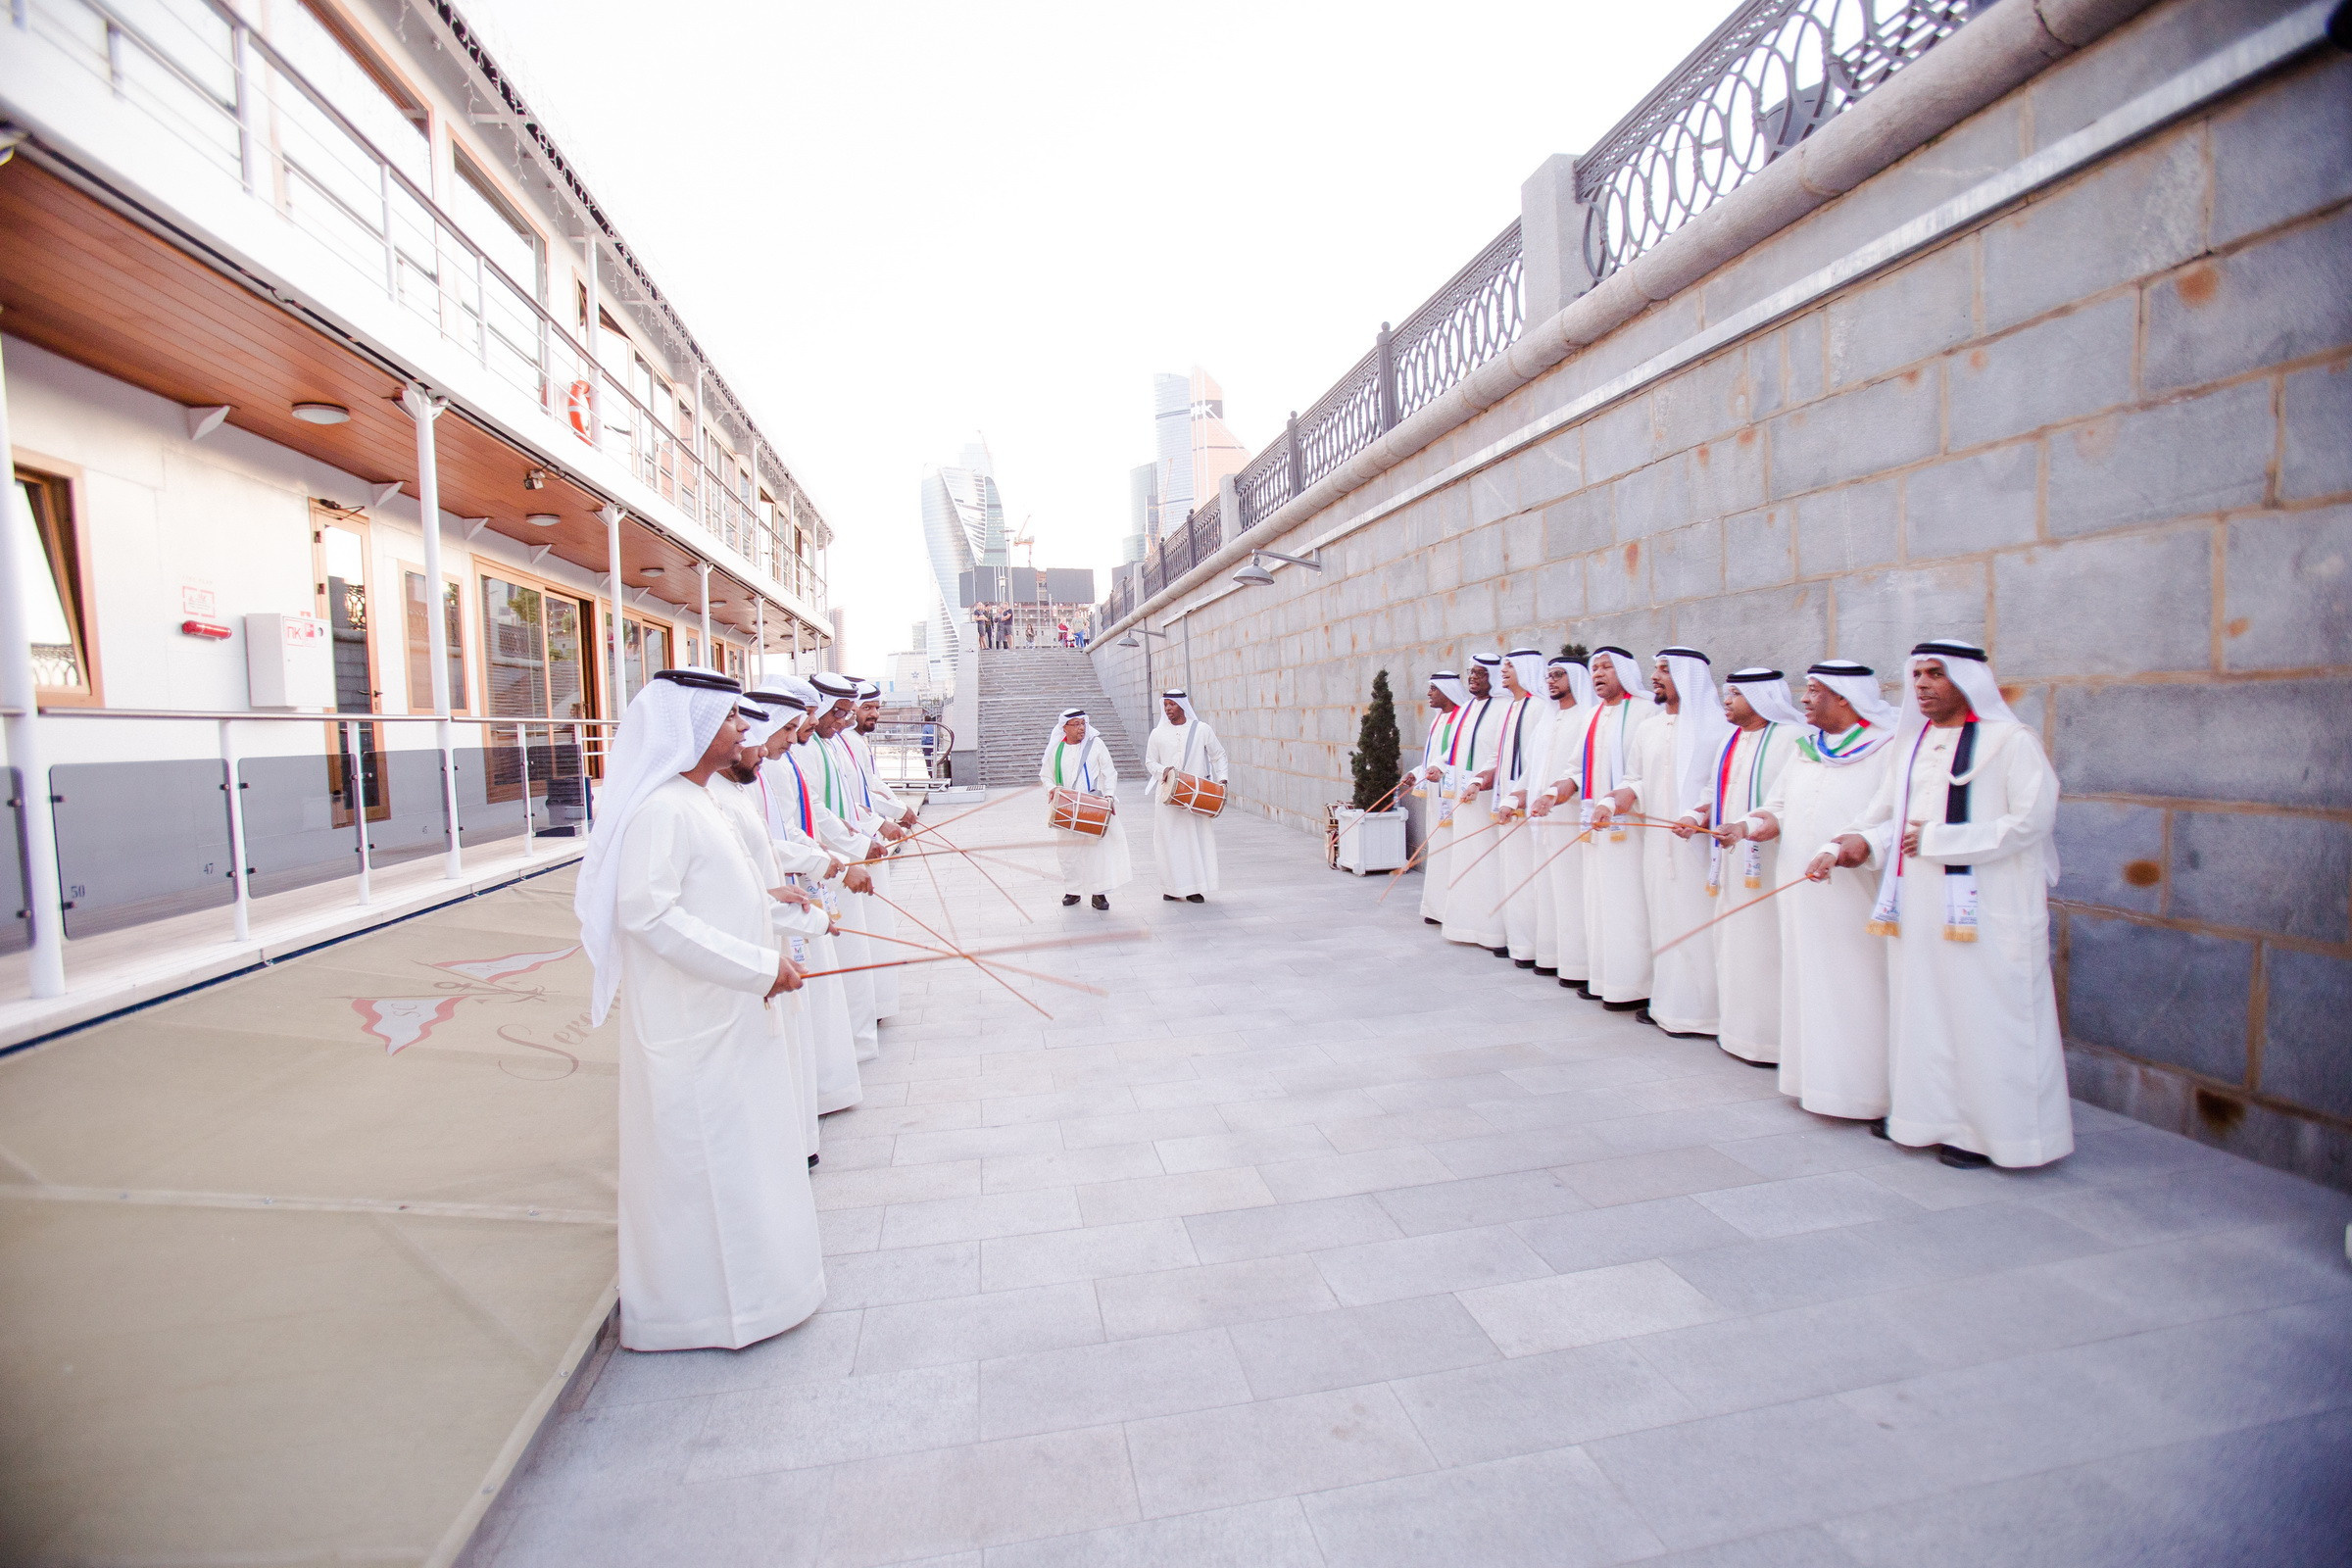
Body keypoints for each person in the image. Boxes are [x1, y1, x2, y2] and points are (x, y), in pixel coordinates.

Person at [571, 666, 824, 1352]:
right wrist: (759, 967)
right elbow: (649, 916)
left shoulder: (701, 801)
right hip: (695, 1025)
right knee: (709, 1168)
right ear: (691, 727)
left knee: (745, 1159)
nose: (745, 728)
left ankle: (768, 1292)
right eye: (730, 718)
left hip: (731, 1012)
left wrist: (776, 910)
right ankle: (714, 1315)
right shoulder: (660, 810)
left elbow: (719, 894)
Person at [1826, 640, 2071, 1169]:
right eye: (1916, 676)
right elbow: (1885, 815)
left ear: (1968, 680)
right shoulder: (1911, 746)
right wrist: (1856, 843)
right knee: (1925, 1011)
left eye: (1935, 674)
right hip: (1918, 909)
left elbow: (2032, 823)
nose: (1922, 686)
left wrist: (1940, 842)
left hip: (1988, 910)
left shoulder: (2011, 742)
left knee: (1987, 1019)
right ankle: (1922, 1118)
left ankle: (1993, 1136)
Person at [1732, 661, 1901, 1123]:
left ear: (1844, 697)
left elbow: (1889, 819)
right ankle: (1814, 1083)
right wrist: (1747, 825)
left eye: (1813, 691)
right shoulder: (1807, 748)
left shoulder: (1886, 748)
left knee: (1856, 985)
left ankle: (1866, 1094)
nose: (1803, 699)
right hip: (1800, 887)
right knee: (1808, 982)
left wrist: (1853, 845)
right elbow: (1780, 805)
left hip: (1854, 891)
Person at [708, 696, 836, 1159]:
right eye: (744, 732)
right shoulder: (694, 804)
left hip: (765, 942)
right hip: (742, 960)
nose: (758, 746)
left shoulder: (730, 793)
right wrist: (814, 911)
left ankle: (797, 1142)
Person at [750, 682, 867, 1120]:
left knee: (818, 998)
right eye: (798, 723)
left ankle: (820, 1094)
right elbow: (767, 845)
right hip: (776, 905)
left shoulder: (783, 759)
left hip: (799, 884)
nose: (813, 726)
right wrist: (827, 861)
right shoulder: (763, 769)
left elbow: (796, 822)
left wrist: (831, 856)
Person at [1601, 647, 1729, 1037]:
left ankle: (1704, 1013)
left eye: (1665, 671)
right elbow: (1635, 778)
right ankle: (1669, 1005)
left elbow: (1720, 784)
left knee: (1698, 923)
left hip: (1699, 847)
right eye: (1654, 670)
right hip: (1658, 847)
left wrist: (1698, 814)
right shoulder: (1650, 727)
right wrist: (1614, 800)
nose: (1655, 677)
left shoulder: (1716, 726)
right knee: (1664, 921)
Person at [1698, 669, 1803, 1066]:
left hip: (1770, 862)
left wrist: (1751, 828)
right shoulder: (1732, 739)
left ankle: (1770, 1041)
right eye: (1727, 694)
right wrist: (1697, 812)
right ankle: (1737, 1031)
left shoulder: (1791, 739)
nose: (1728, 701)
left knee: (1766, 945)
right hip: (1730, 858)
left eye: (1737, 694)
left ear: (1762, 697)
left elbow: (1790, 801)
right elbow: (1715, 790)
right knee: (1735, 942)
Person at [1576, 648, 1659, 1008]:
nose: (1599, 673)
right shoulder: (1592, 715)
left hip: (1633, 829)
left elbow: (1646, 773)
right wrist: (1553, 793)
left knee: (1628, 906)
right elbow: (1575, 768)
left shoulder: (1647, 712)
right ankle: (1604, 979)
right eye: (1594, 668)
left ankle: (1635, 987)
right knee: (1598, 903)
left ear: (1625, 671)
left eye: (1607, 667)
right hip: (1597, 824)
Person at [1526, 657, 1596, 989]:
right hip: (1543, 817)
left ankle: (1578, 965)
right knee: (1548, 888)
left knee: (1572, 889)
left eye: (1559, 675)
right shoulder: (1547, 719)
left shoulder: (1587, 717)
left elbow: (1581, 770)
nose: (1551, 681)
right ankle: (1552, 956)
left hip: (1570, 815)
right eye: (1548, 676)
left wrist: (1556, 795)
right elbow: (1533, 768)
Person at [1489, 650, 1556, 968]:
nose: (1504, 671)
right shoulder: (1512, 707)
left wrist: (1520, 796)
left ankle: (1530, 945)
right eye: (1503, 666)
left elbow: (1535, 763)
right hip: (1508, 803)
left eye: (1511, 666)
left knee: (1527, 877)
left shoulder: (1539, 708)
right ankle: (1516, 940)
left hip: (1527, 805)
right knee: (1511, 873)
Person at [1442, 655, 1508, 956]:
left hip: (1487, 796)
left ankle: (1494, 930)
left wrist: (1480, 781)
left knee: (1488, 860)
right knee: (1466, 858)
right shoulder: (1466, 710)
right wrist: (1438, 769)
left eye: (1481, 673)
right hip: (1464, 796)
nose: (1473, 678)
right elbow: (1452, 752)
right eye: (1471, 672)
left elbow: (1499, 756)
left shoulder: (1504, 708)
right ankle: (1467, 924)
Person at [1041, 708, 1131, 909]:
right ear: (1064, 727)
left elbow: (1110, 772)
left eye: (1083, 723)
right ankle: (1073, 891)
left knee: (1096, 852)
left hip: (1092, 806)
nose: (1081, 728)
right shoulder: (1056, 749)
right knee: (1068, 853)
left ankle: (1099, 894)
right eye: (1076, 724)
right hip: (1066, 808)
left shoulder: (1096, 744)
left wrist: (1109, 796)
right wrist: (1052, 788)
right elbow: (1045, 775)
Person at [1146, 688, 1227, 903]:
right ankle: (1171, 887)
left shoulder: (1201, 729)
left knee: (1194, 841)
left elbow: (1218, 755)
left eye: (1171, 705)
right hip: (1166, 797)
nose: (1168, 709)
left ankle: (1194, 888)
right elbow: (1150, 761)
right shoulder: (1158, 733)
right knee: (1168, 841)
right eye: (1165, 705)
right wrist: (1162, 771)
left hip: (1195, 797)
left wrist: (1223, 780)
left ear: (1183, 705)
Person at [1408, 672, 1467, 927]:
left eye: (1434, 689)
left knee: (1454, 850)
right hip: (1436, 793)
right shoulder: (1437, 721)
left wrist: (1437, 769)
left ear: (1448, 690)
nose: (1429, 693)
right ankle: (1436, 906)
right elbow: (1432, 758)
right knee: (1438, 849)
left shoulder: (1461, 721)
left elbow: (1450, 758)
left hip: (1455, 794)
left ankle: (1455, 909)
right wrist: (1413, 774)